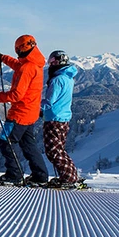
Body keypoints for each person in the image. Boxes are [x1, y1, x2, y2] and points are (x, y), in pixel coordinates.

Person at [0, 34, 49, 186]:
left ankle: (14, 175)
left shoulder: (27, 67)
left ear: (20, 49)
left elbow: (16, 95)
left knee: (6, 141)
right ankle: (40, 176)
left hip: (20, 113)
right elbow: (18, 66)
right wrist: (5, 59)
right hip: (31, 113)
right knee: (29, 145)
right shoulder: (34, 63)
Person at [41, 50, 81, 188]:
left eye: (52, 62)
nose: (50, 65)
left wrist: (36, 106)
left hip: (54, 118)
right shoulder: (68, 78)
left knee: (53, 150)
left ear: (58, 62)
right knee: (59, 149)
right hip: (63, 118)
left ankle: (68, 178)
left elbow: (50, 101)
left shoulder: (57, 80)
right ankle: (70, 175)